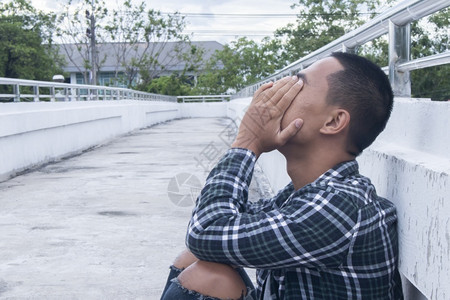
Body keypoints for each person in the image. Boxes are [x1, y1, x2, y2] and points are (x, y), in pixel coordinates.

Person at [160, 52, 404, 300]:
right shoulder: (307, 193)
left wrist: (246, 142)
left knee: (206, 277)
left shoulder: (339, 208)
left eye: (297, 84)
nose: (275, 90)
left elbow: (205, 231)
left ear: (333, 122)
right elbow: (222, 226)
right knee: (193, 260)